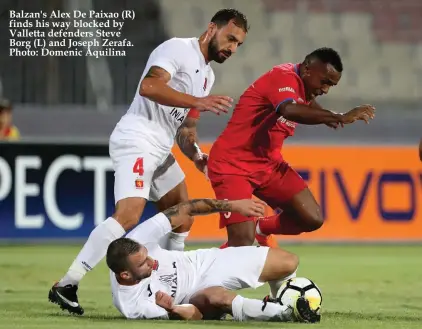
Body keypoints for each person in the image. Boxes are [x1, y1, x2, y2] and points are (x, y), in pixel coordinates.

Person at [49, 8, 249, 315]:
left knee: (182, 213)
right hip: (138, 138)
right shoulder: (177, 49)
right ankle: (68, 283)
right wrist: (197, 101)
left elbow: (186, 129)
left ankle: (175, 285)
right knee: (128, 216)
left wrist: (196, 155)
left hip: (159, 148)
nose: (232, 48)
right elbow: (150, 87)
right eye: (230, 38)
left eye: (238, 44)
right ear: (212, 29)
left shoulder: (206, 76)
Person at [207, 47, 376, 248]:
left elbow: (308, 103)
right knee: (242, 240)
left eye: (331, 85)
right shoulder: (283, 77)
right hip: (233, 164)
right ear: (307, 69)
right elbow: (288, 109)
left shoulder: (303, 87)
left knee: (311, 218)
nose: (325, 90)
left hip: (268, 164)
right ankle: (195, 274)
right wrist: (338, 116)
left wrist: (328, 115)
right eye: (324, 82)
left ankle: (261, 229)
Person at [104, 198, 320, 323]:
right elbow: (194, 315)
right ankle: (284, 313)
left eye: (147, 254)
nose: (151, 261)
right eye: (143, 264)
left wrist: (232, 206)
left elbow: (186, 209)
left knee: (288, 262)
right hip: (193, 297)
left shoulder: (138, 238)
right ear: (125, 275)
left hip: (203, 261)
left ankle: (278, 299)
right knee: (219, 298)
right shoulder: (133, 306)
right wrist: (173, 309)